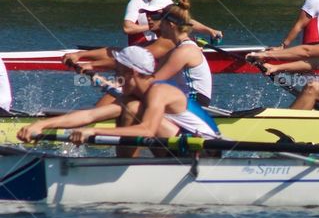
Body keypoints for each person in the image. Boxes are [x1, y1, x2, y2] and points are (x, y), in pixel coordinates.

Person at [17, 46, 220, 148]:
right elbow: (89, 116)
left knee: (132, 109)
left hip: (205, 149)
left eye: (119, 69)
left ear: (132, 72)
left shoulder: (159, 91)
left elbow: (148, 129)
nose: (115, 74)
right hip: (178, 145)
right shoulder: (134, 95)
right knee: (130, 106)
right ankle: (129, 169)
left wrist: (92, 133)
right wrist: (41, 125)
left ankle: (130, 171)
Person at [122, 0, 221, 45]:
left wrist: (210, 31)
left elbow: (184, 21)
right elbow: (127, 28)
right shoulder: (136, 2)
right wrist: (151, 27)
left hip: (160, 47)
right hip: (140, 48)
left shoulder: (164, 1)